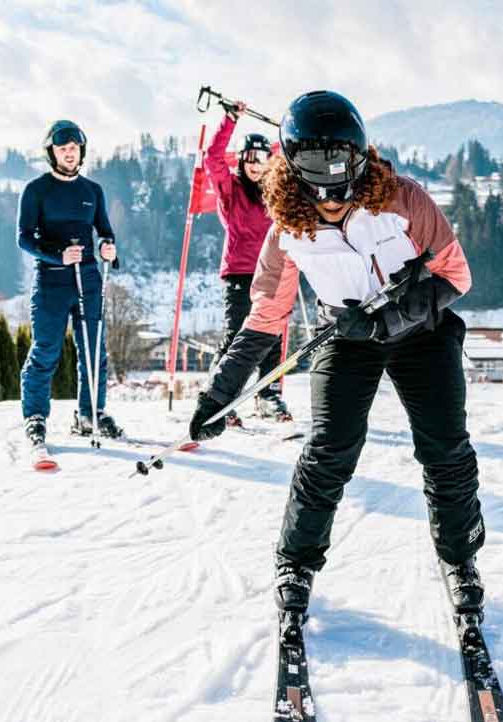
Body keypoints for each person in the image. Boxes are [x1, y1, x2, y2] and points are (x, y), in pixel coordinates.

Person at [187, 90, 487, 619]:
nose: (331, 195)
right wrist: (221, 393)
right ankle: (296, 562)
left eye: (339, 169)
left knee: (445, 448)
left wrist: (388, 318)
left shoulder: (404, 200)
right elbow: (265, 316)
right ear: (294, 170)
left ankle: (460, 558)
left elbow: (456, 275)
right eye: (314, 173)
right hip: (344, 337)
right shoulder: (286, 229)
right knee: (330, 448)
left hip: (423, 331)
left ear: (358, 158)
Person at [17, 119, 123, 449]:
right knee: (46, 349)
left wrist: (108, 247)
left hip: (88, 279)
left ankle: (90, 413)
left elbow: (105, 231)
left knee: (93, 351)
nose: (69, 154)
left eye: (74, 149)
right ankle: (35, 417)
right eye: (62, 149)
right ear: (52, 152)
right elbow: (24, 238)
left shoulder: (92, 191)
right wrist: (56, 255)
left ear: (82, 151)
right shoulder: (37, 190)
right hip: (51, 280)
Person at [205, 99, 290, 423]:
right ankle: (218, 397)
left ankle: (269, 395)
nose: (255, 164)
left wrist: (292, 129)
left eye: (261, 158)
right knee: (237, 337)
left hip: (272, 270)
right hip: (240, 272)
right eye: (250, 158)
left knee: (273, 336)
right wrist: (229, 120)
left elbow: (290, 155)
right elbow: (212, 159)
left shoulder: (274, 191)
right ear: (241, 160)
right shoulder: (231, 189)